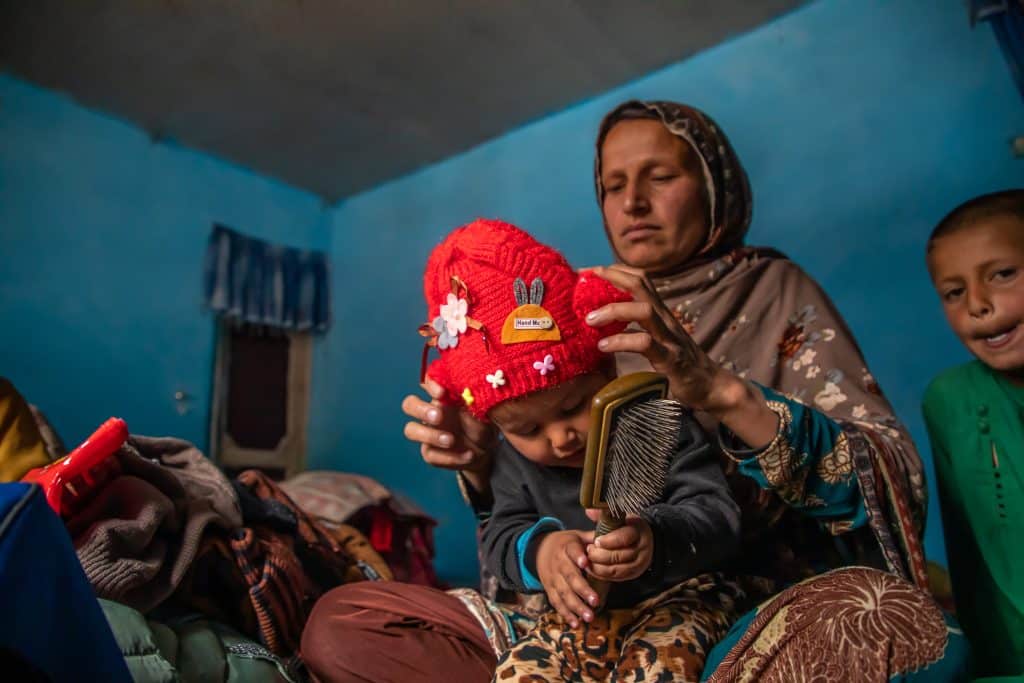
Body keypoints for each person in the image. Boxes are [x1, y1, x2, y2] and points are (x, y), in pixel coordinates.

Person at [303, 100, 968, 681]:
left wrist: (717, 390)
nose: (633, 203)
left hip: (722, 611)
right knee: (344, 623)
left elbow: (890, 483)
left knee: (886, 625)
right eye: (613, 185)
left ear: (714, 184)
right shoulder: (562, 316)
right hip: (565, 621)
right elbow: (512, 515)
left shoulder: (774, 294)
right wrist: (480, 453)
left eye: (661, 176)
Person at [922, 189, 1024, 681]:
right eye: (953, 292)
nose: (979, 306)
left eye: (1003, 274)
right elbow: (974, 562)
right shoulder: (951, 401)